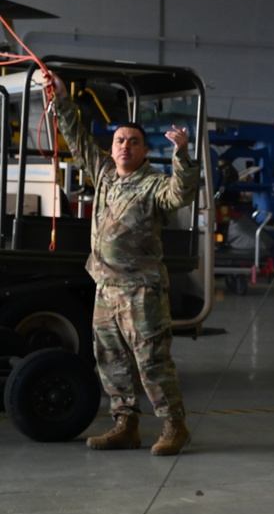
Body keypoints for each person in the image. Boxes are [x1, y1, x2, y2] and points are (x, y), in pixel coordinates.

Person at [45, 72, 200, 457]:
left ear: (145, 151)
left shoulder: (153, 185)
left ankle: (174, 425)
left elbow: (182, 194)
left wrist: (181, 153)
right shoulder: (105, 175)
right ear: (112, 148)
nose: (125, 147)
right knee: (110, 360)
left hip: (140, 290)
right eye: (119, 141)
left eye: (133, 142)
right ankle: (125, 425)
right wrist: (62, 99)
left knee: (151, 360)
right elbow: (79, 142)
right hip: (105, 288)